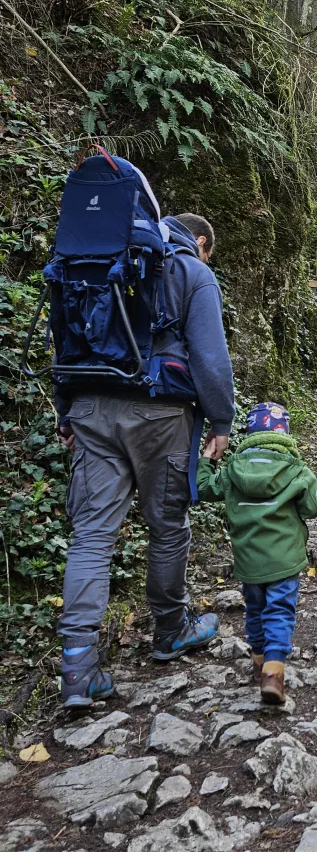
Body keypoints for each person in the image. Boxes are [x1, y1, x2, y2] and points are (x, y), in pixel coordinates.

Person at [58, 210, 235, 708]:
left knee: (91, 536)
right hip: (161, 413)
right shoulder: (193, 271)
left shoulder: (94, 262)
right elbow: (210, 358)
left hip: (91, 404)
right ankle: (171, 629)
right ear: (200, 242)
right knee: (167, 526)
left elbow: (65, 334)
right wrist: (221, 421)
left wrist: (66, 410)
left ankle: (77, 668)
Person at [196, 402, 317, 706]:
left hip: (248, 562)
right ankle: (273, 673)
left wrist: (206, 459)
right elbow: (313, 507)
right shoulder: (297, 470)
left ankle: (258, 662)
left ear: (249, 435)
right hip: (284, 560)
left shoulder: (232, 471)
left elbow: (203, 488)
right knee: (279, 610)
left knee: (255, 609)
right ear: (285, 435)